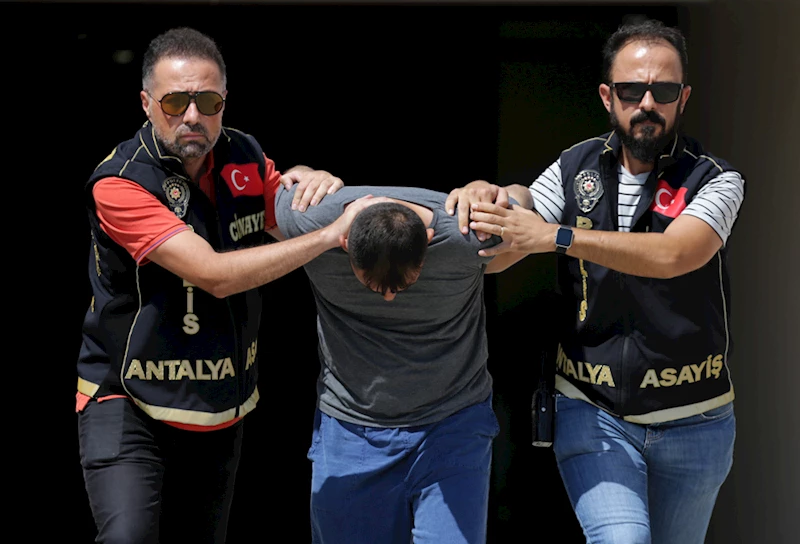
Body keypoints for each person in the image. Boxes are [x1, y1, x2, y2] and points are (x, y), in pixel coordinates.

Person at [445, 19, 745, 544]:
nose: (647, 103)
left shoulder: (716, 179)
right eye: (631, 90)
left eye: (663, 91)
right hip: (592, 409)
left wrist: (557, 237)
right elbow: (512, 231)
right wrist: (488, 197)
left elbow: (675, 254)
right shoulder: (574, 167)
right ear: (608, 97)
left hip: (696, 420)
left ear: (683, 98)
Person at [75, 27, 373, 544]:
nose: (193, 116)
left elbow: (288, 216)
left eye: (208, 101)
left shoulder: (245, 155)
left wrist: (315, 187)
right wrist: (330, 234)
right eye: (175, 102)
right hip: (127, 398)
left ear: (224, 102)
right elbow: (214, 275)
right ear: (146, 104)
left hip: (218, 405)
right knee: (129, 536)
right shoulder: (120, 182)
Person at [272, 183, 525, 543]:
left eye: (403, 284)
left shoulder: (465, 235)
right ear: (345, 243)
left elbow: (534, 204)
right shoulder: (311, 221)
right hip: (351, 429)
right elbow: (251, 188)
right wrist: (298, 174)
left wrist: (495, 192)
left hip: (452, 423)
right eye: (375, 286)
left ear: (429, 241)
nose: (390, 296)